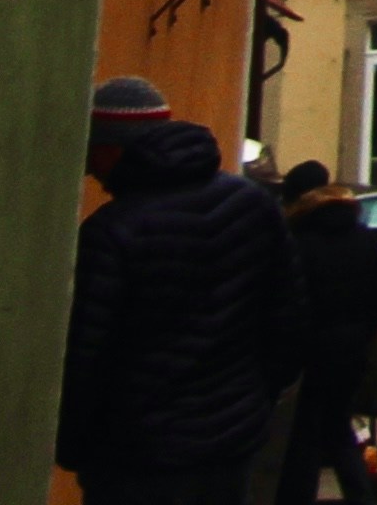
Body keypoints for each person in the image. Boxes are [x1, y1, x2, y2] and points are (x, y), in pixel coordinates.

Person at [62, 75, 301, 505]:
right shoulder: (252, 204)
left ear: (114, 149)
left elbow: (87, 355)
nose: (89, 169)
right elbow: (288, 319)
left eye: (92, 152)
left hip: (138, 456)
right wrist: (255, 402)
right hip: (232, 440)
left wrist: (75, 446)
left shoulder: (112, 231)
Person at [278, 162, 377, 504]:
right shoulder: (366, 239)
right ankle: (362, 498)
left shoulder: (297, 240)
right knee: (340, 430)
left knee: (304, 438)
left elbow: (289, 303)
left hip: (310, 352)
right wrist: (364, 339)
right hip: (351, 350)